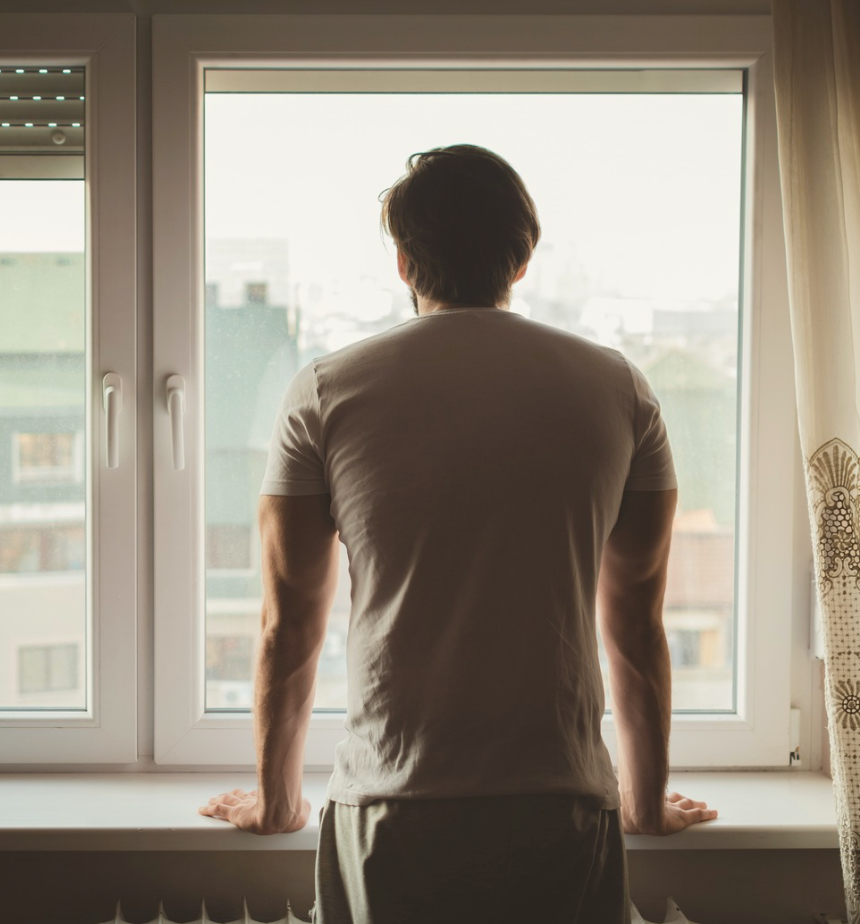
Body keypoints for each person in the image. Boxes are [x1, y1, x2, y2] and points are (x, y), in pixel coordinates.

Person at [199, 144, 717, 922]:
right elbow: (638, 627)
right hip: (562, 806)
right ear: (524, 255)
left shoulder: (325, 392)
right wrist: (642, 805)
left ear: (404, 263)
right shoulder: (619, 390)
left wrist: (278, 803)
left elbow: (288, 626)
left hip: (392, 803)